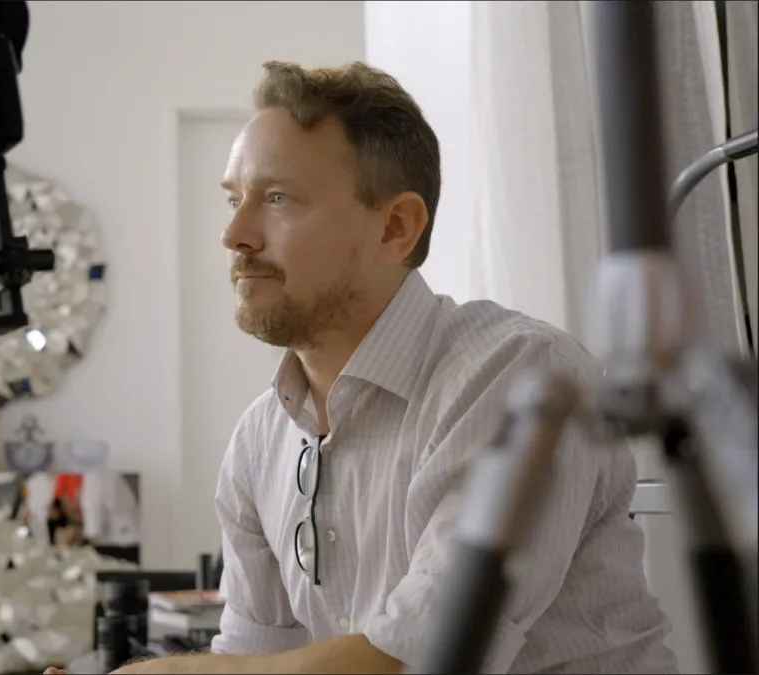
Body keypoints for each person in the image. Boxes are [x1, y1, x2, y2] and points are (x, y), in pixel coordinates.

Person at [49, 60, 677, 675]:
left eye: (276, 198)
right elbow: (255, 662)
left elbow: (421, 660)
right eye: (233, 199)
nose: (235, 235)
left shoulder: (521, 378)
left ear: (396, 229)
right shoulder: (259, 441)